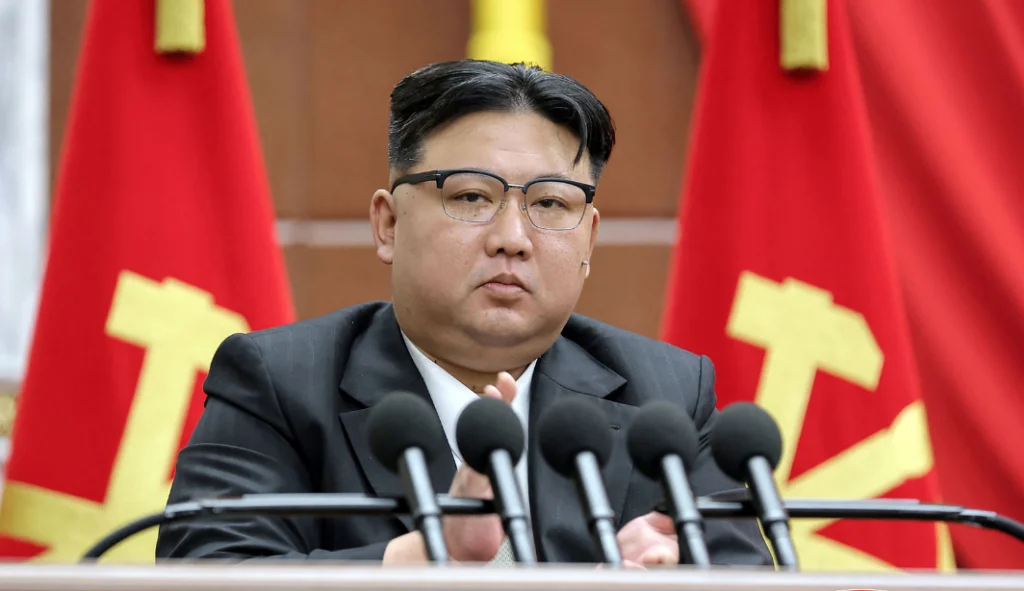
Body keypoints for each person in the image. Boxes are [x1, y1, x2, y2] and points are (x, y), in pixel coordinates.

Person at [156, 59, 772, 568]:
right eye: (472, 196)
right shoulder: (278, 383)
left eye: (550, 204)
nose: (513, 239)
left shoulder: (666, 397)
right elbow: (207, 573)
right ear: (388, 224)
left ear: (588, 238)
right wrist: (425, 559)